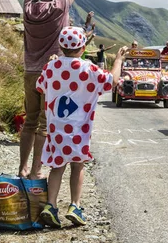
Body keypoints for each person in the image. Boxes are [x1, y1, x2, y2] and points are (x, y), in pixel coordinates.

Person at [36, 26, 127, 227]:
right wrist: (118, 60)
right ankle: (75, 206)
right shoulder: (88, 68)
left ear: (60, 46)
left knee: (57, 166)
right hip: (79, 129)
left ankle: (50, 205)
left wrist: (53, 65)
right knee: (78, 166)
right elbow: (111, 81)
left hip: (56, 128)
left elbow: (40, 86)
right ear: (83, 47)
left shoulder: (51, 67)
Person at [20, 0, 81, 180]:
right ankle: (36, 171)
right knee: (45, 126)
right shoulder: (59, 7)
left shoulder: (28, 7)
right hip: (51, 73)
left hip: (30, 71)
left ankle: (22, 168)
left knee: (29, 122)